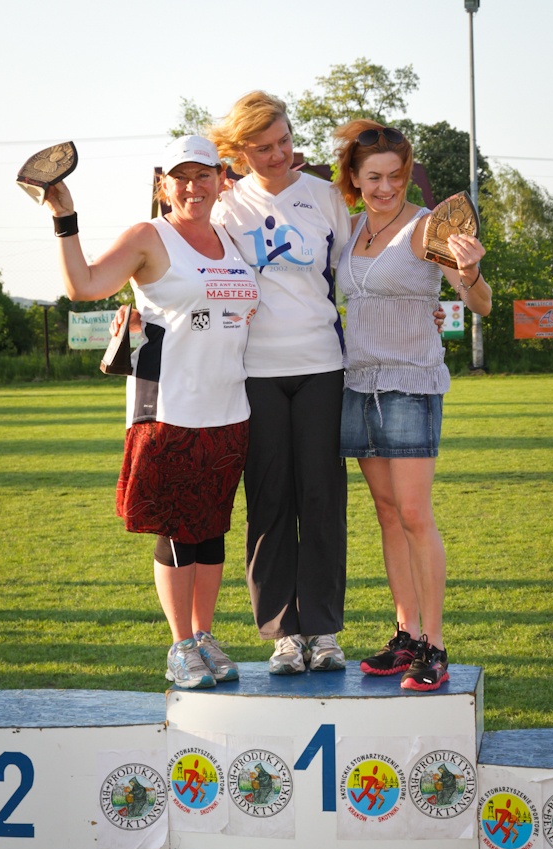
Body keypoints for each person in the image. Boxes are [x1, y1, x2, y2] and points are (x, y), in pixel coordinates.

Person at [43, 135, 260, 690]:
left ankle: (205, 636)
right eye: (181, 177)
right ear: (164, 185)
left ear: (221, 180)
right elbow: (83, 285)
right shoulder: (149, 235)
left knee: (212, 530)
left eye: (203, 174)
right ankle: (180, 645)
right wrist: (65, 218)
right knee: (178, 530)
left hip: (230, 407)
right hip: (169, 408)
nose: (193, 186)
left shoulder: (231, 235)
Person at [333, 119, 492, 691]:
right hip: (358, 385)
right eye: (374, 177)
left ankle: (435, 645)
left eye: (396, 176)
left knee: (415, 515)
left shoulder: (427, 227)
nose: (385, 187)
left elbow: (482, 302)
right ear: (354, 178)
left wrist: (469, 271)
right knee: (386, 513)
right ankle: (405, 633)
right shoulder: (349, 228)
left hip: (411, 384)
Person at [208, 91, 352, 675]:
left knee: (321, 500)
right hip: (254, 374)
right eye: (263, 147)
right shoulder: (224, 207)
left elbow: (353, 274)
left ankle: (323, 631)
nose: (278, 155)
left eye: (285, 141)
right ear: (239, 151)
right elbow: (201, 278)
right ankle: (283, 636)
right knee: (268, 502)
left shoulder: (325, 197)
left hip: (321, 366)